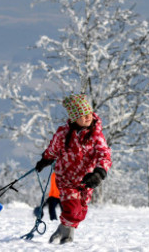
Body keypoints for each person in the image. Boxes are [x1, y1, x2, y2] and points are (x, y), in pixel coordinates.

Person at [35, 94, 112, 244]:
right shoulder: (63, 133)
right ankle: (67, 237)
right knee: (72, 207)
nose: (87, 117)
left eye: (89, 113)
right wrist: (46, 159)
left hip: (86, 180)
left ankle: (62, 229)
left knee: (81, 212)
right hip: (66, 178)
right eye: (82, 115)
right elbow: (53, 149)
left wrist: (99, 172)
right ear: (74, 118)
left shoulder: (96, 135)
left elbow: (105, 155)